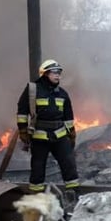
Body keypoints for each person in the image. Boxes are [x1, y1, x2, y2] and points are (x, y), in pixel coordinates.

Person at [17, 59, 80, 201]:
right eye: (54, 73)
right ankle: (36, 196)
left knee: (68, 163)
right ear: (45, 74)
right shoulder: (32, 90)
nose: (58, 76)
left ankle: (73, 193)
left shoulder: (62, 93)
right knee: (38, 167)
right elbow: (22, 112)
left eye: (59, 73)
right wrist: (22, 130)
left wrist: (72, 133)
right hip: (40, 137)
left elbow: (68, 116)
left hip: (60, 135)